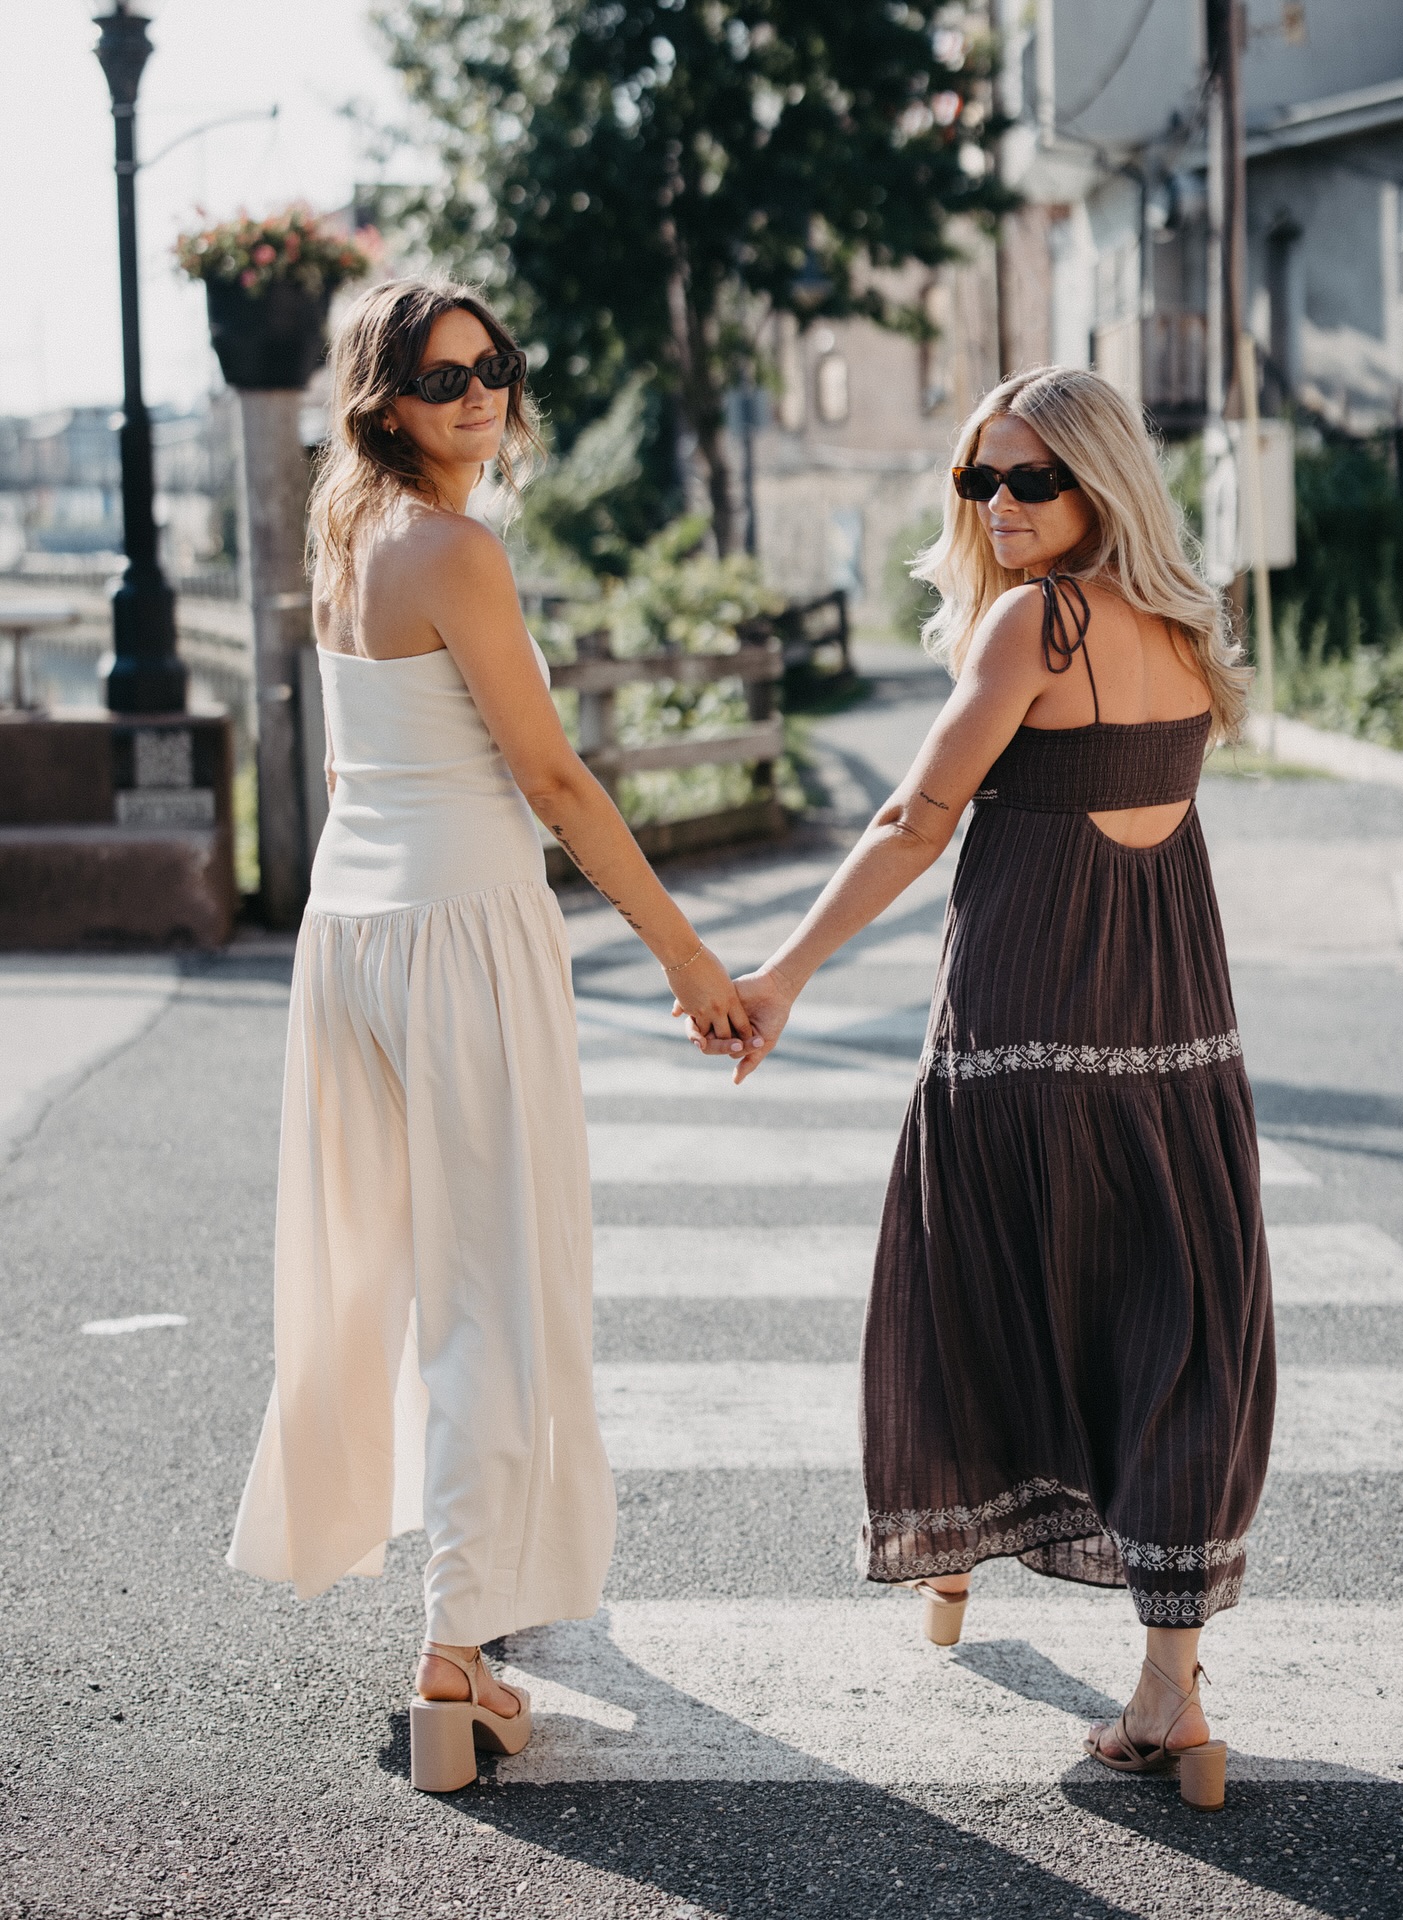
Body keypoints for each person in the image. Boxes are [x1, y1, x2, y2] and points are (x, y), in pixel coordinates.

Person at [690, 365, 1273, 1808]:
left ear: (1099, 483)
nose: (999, 504)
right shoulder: (1185, 627)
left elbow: (914, 820)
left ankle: (956, 1560)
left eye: (1030, 479)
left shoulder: (1038, 624)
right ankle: (1173, 1686)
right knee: (1170, 1333)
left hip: (1019, 1028)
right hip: (1176, 1043)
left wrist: (782, 974)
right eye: (978, 479)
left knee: (977, 1296)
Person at [227, 277, 753, 1794]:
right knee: (498, 1290)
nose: (478, 394)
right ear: (383, 402)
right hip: (460, 932)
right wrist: (690, 959)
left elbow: (360, 767)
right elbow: (556, 780)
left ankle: (469, 1613)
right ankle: (456, 1652)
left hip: (353, 932)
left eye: (492, 366)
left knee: (396, 1274)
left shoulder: (350, 538)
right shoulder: (455, 549)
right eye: (441, 376)